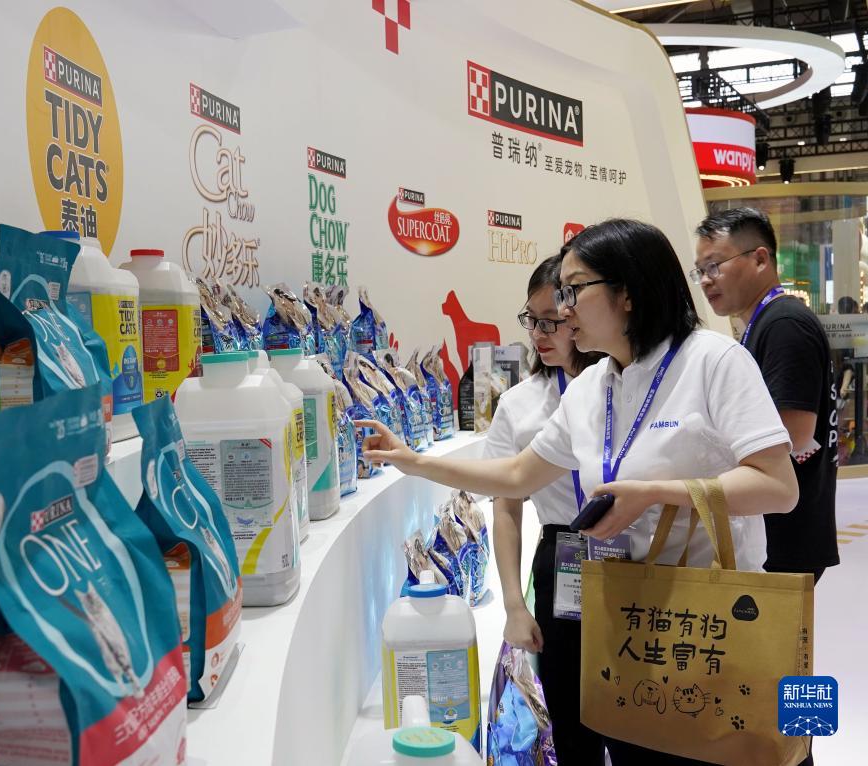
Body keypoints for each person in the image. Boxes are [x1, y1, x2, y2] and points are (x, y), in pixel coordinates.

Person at [358, 218, 798, 766]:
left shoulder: (713, 361)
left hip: (711, 622)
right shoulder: (593, 387)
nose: (563, 311)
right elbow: (517, 476)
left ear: (627, 293)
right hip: (630, 623)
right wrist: (414, 461)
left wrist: (657, 493)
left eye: (573, 291)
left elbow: (778, 486)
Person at [485, 253, 603, 764]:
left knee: (645, 710)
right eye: (531, 320)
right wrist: (514, 605)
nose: (539, 333)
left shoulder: (622, 386)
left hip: (633, 552)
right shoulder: (518, 404)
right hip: (562, 556)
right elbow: (507, 508)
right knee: (571, 721)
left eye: (552, 320)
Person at [693, 208, 839, 586]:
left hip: (785, 535)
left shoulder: (783, 324)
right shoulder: (767, 323)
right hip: (780, 528)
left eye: (714, 266)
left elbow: (795, 434)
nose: (706, 280)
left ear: (760, 259)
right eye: (700, 271)